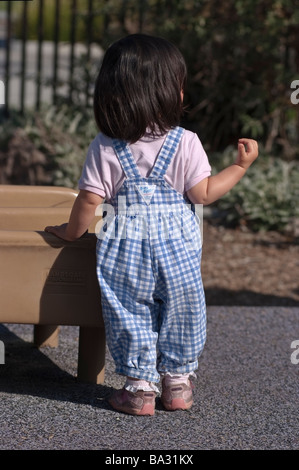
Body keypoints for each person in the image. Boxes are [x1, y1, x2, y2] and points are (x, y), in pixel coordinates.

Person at [45, 34, 258, 416]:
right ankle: (177, 383)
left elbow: (89, 201)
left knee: (129, 309)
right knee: (182, 307)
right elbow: (204, 193)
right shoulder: (186, 142)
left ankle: (139, 388)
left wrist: (70, 232)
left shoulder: (106, 145)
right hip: (177, 247)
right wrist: (239, 167)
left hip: (124, 246)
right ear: (169, 93)